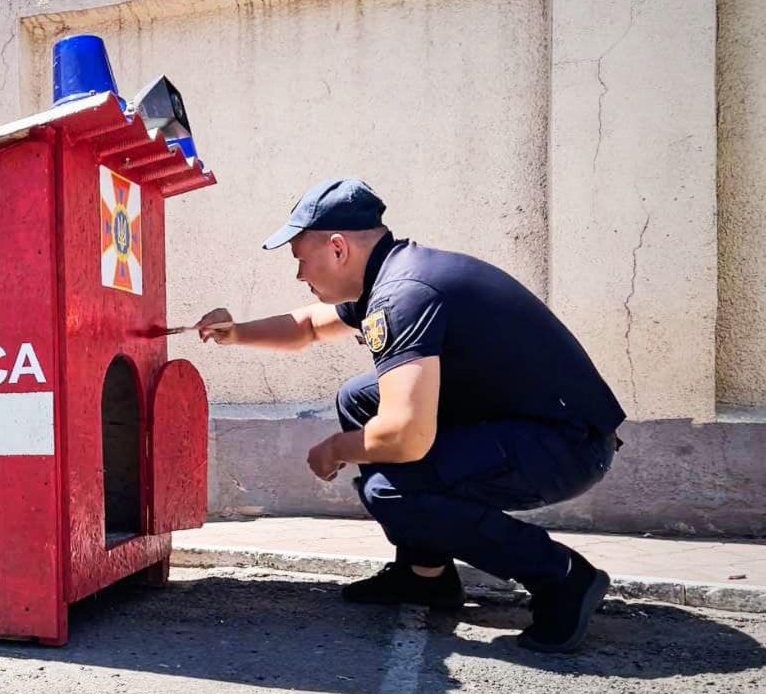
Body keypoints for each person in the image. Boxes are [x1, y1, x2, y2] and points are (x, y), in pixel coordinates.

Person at [196, 178, 625, 652]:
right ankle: (426, 575)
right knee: (359, 399)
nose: (299, 274)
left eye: (301, 258)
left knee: (393, 491)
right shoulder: (394, 273)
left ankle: (562, 576)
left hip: (566, 446)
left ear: (338, 248)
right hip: (530, 425)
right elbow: (307, 327)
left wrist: (335, 448)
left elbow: (405, 437)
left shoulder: (404, 294)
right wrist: (235, 332)